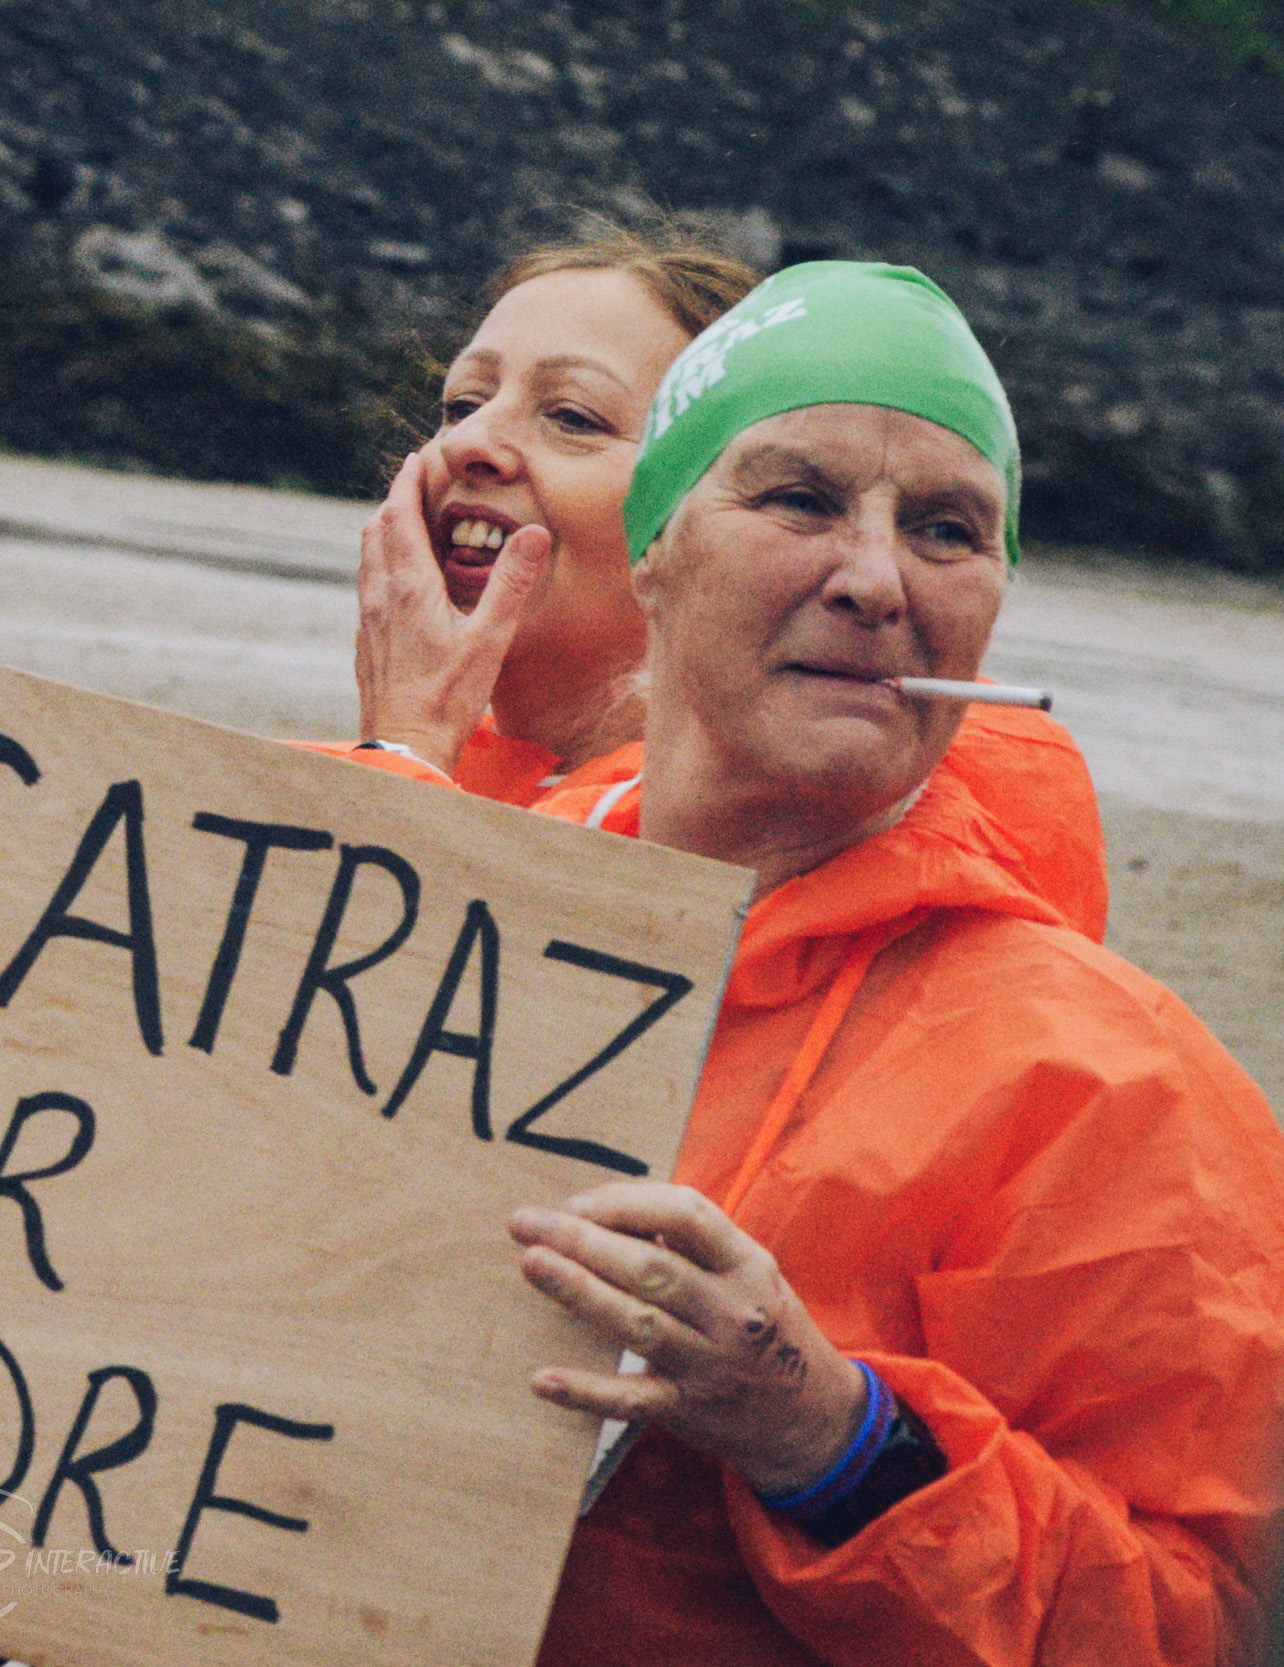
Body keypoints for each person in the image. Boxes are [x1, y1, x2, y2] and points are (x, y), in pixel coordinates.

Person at [493, 262, 1284, 1663]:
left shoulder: (1110, 1083)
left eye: (947, 529)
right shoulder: (466, 893)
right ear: (655, 546)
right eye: (799, 498)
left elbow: (1202, 1626)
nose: (873, 580)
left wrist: (827, 1434)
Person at [333, 229, 1108, 940]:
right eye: (461, 404)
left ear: (680, 523)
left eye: (572, 417)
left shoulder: (804, 829)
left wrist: (401, 755)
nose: (469, 441)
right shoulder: (437, 771)